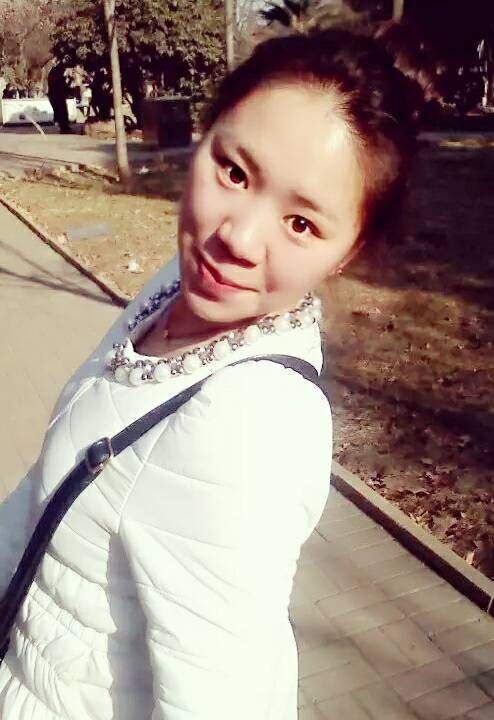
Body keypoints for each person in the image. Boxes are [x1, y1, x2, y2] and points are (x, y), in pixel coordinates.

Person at [0, 27, 429, 720]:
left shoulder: (248, 426)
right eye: (234, 172)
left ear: (347, 253)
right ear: (204, 138)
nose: (237, 238)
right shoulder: (176, 285)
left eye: (301, 224)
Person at [47, 62, 72, 134]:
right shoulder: (57, 73)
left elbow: (64, 85)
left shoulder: (55, 72)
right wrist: (67, 78)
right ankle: (64, 128)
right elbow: (60, 84)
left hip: (56, 95)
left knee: (62, 111)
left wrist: (68, 79)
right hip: (57, 95)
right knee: (62, 111)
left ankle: (64, 127)